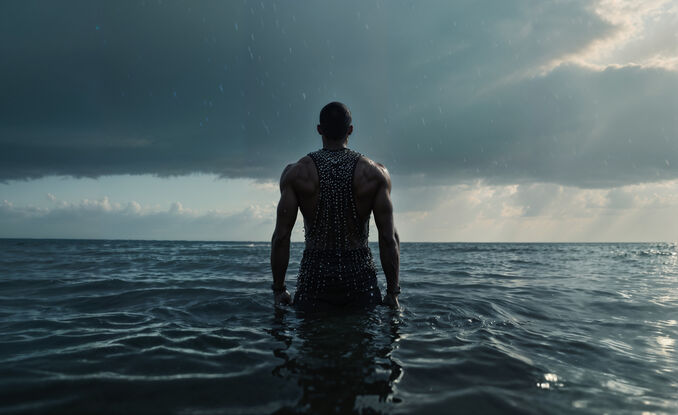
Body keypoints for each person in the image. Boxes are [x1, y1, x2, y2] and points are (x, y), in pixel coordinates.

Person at [270, 101, 400, 311]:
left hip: (314, 281)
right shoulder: (375, 174)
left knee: (315, 341)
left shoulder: (297, 173)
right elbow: (388, 238)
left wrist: (279, 290)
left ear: (319, 129)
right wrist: (393, 293)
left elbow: (281, 237)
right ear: (350, 130)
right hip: (360, 282)